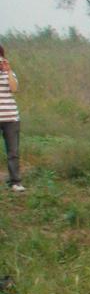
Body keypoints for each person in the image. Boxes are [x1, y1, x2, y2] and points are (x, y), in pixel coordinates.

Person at [0, 44, 23, 191]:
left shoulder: (9, 73)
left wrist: (8, 71)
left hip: (11, 118)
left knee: (13, 152)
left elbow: (14, 89)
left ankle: (15, 182)